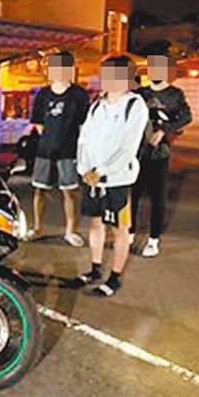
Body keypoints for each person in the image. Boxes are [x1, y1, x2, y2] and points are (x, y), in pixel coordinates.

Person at [64, 55, 149, 297]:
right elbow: (84, 139)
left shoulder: (135, 105)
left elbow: (128, 147)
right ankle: (94, 269)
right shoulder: (97, 105)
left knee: (120, 228)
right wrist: (84, 168)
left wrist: (101, 171)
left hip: (118, 179)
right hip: (92, 178)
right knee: (96, 222)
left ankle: (115, 277)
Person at [26, 51, 90, 247]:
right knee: (40, 190)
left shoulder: (79, 94)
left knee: (70, 191)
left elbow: (83, 125)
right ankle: (38, 228)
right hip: (44, 152)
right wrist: (50, 139)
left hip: (69, 152)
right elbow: (38, 124)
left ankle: (71, 231)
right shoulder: (43, 94)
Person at [130, 54, 192, 257]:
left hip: (160, 154)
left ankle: (153, 240)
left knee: (158, 198)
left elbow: (186, 116)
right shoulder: (140, 93)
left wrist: (164, 130)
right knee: (133, 195)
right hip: (136, 153)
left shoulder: (175, 94)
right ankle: (129, 233)